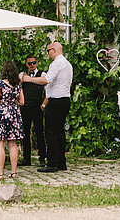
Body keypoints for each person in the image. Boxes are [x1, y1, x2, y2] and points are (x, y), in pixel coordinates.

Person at [22, 41, 72, 173]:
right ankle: (61, 162)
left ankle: (52, 163)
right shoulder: (67, 64)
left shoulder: (56, 64)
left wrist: (30, 80)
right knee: (59, 132)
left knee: (51, 132)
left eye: (48, 50)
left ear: (54, 50)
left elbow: (46, 80)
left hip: (56, 101)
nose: (48, 53)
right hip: (65, 99)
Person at [0, 60, 24, 181]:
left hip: (2, 114)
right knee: (13, 144)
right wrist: (13, 102)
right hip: (14, 114)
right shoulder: (18, 85)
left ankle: (0, 173)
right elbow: (22, 102)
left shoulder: (0, 84)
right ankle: (14, 172)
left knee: (0, 144)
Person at [19, 54, 47, 167]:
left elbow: (48, 90)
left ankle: (42, 158)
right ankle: (26, 158)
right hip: (25, 107)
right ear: (26, 64)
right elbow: (17, 84)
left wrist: (43, 105)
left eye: (34, 63)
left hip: (37, 107)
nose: (32, 65)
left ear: (37, 63)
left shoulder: (43, 74)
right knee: (25, 133)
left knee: (39, 132)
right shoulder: (22, 74)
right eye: (29, 63)